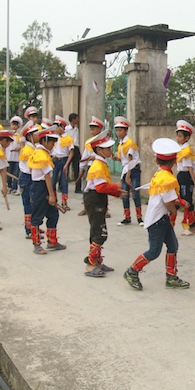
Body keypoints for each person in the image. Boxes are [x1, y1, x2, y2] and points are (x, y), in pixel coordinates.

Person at [123, 138, 191, 291]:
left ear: (157, 160)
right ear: (174, 161)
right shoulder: (167, 178)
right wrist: (175, 210)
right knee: (154, 251)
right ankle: (132, 271)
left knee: (173, 245)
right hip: (157, 220)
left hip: (161, 219)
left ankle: (171, 277)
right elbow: (168, 202)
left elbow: (171, 196)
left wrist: (180, 202)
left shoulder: (160, 174)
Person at [83, 130, 122, 277]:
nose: (110, 151)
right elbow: (100, 187)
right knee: (99, 233)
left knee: (98, 231)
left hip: (97, 199)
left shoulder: (101, 163)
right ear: (99, 150)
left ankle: (97, 261)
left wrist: (117, 192)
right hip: (94, 199)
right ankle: (91, 264)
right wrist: (116, 188)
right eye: (107, 148)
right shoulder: (98, 166)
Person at [27, 126, 66, 254]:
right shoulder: (41, 154)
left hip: (42, 187)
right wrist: (51, 195)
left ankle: (52, 241)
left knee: (53, 214)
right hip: (41, 188)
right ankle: (36, 244)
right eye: (51, 142)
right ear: (44, 141)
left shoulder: (41, 153)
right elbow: (47, 176)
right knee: (38, 216)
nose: (53, 145)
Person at [114, 116, 143, 226]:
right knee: (124, 193)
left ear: (126, 130)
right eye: (117, 130)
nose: (118, 132)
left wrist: (128, 176)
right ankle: (127, 217)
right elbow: (123, 159)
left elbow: (130, 159)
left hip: (133, 169)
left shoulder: (129, 143)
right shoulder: (121, 144)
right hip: (126, 169)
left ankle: (140, 218)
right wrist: (115, 158)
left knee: (135, 193)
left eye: (120, 130)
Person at [175, 120, 195, 236]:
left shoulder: (186, 151)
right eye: (177, 135)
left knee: (187, 202)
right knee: (181, 200)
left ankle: (191, 227)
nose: (178, 138)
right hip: (181, 176)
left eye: (180, 136)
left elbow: (190, 169)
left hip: (186, 177)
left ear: (187, 138)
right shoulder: (181, 149)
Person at [76, 116, 105, 217]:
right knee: (86, 188)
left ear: (99, 129)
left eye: (94, 128)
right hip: (90, 168)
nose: (92, 131)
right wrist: (81, 167)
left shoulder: (104, 142)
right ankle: (86, 207)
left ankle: (104, 209)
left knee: (102, 188)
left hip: (101, 168)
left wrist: (96, 157)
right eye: (91, 129)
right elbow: (85, 155)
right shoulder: (89, 142)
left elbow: (107, 155)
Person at [18, 121, 39, 238]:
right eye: (35, 134)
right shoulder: (28, 150)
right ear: (30, 136)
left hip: (29, 178)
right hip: (27, 178)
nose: (38, 135)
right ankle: (29, 229)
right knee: (28, 204)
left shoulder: (32, 148)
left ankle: (33, 226)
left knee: (33, 203)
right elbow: (31, 167)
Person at [51, 116, 75, 210]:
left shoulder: (68, 138)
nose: (55, 129)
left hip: (64, 160)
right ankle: (54, 200)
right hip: (55, 160)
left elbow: (71, 152)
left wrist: (67, 164)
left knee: (64, 182)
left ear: (61, 127)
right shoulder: (54, 138)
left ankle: (64, 202)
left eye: (57, 127)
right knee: (53, 181)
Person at [6, 116, 23, 195]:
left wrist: (19, 148)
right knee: (8, 173)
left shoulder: (19, 136)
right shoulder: (7, 135)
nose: (14, 126)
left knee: (15, 173)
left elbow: (22, 145)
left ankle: (14, 187)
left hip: (16, 158)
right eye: (13, 125)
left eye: (16, 125)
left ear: (18, 127)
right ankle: (9, 186)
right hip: (8, 157)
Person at [65, 113, 81, 193]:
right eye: (77, 118)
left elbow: (77, 141)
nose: (78, 120)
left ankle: (78, 188)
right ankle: (62, 185)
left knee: (76, 168)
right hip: (69, 148)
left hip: (76, 148)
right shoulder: (66, 129)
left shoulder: (76, 129)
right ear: (73, 119)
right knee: (66, 167)